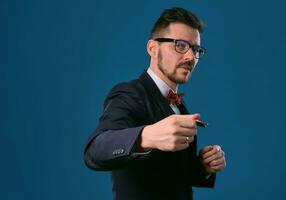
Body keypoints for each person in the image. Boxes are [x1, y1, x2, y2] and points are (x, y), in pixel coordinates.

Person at [84, 7, 226, 200]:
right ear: (153, 48)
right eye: (181, 45)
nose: (191, 57)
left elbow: (169, 175)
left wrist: (203, 166)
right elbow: (95, 151)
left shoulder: (178, 105)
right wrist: (146, 136)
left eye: (196, 49)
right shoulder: (129, 93)